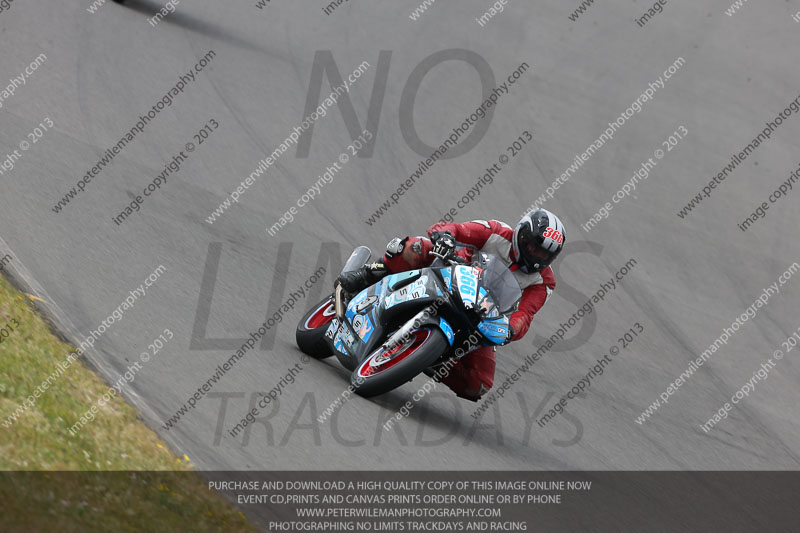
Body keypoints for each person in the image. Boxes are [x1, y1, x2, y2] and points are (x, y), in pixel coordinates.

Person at [337, 208, 565, 401]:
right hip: (450, 274)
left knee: (479, 383)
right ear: (522, 235)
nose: (536, 257)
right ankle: (367, 274)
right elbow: (455, 228)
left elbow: (525, 314)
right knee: (415, 248)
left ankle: (428, 360)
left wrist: (510, 330)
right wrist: (446, 237)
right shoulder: (496, 232)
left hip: (482, 316)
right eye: (534, 247)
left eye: (545, 255)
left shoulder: (544, 281)